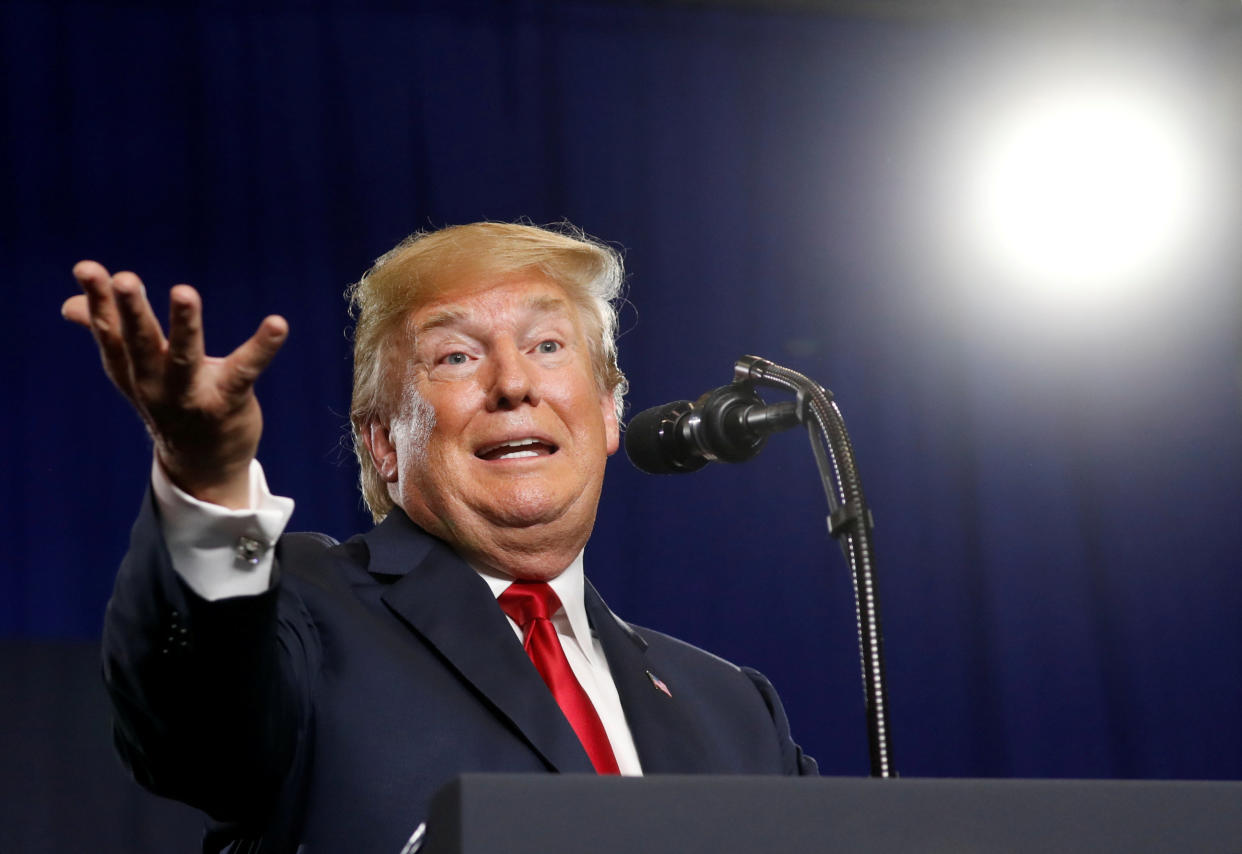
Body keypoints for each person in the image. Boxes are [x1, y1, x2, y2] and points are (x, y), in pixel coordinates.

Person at [63, 222, 817, 854]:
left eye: (548, 345)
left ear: (611, 409)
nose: (513, 383)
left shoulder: (735, 710)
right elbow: (192, 728)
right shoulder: (303, 614)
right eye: (456, 356)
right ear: (383, 443)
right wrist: (205, 476)